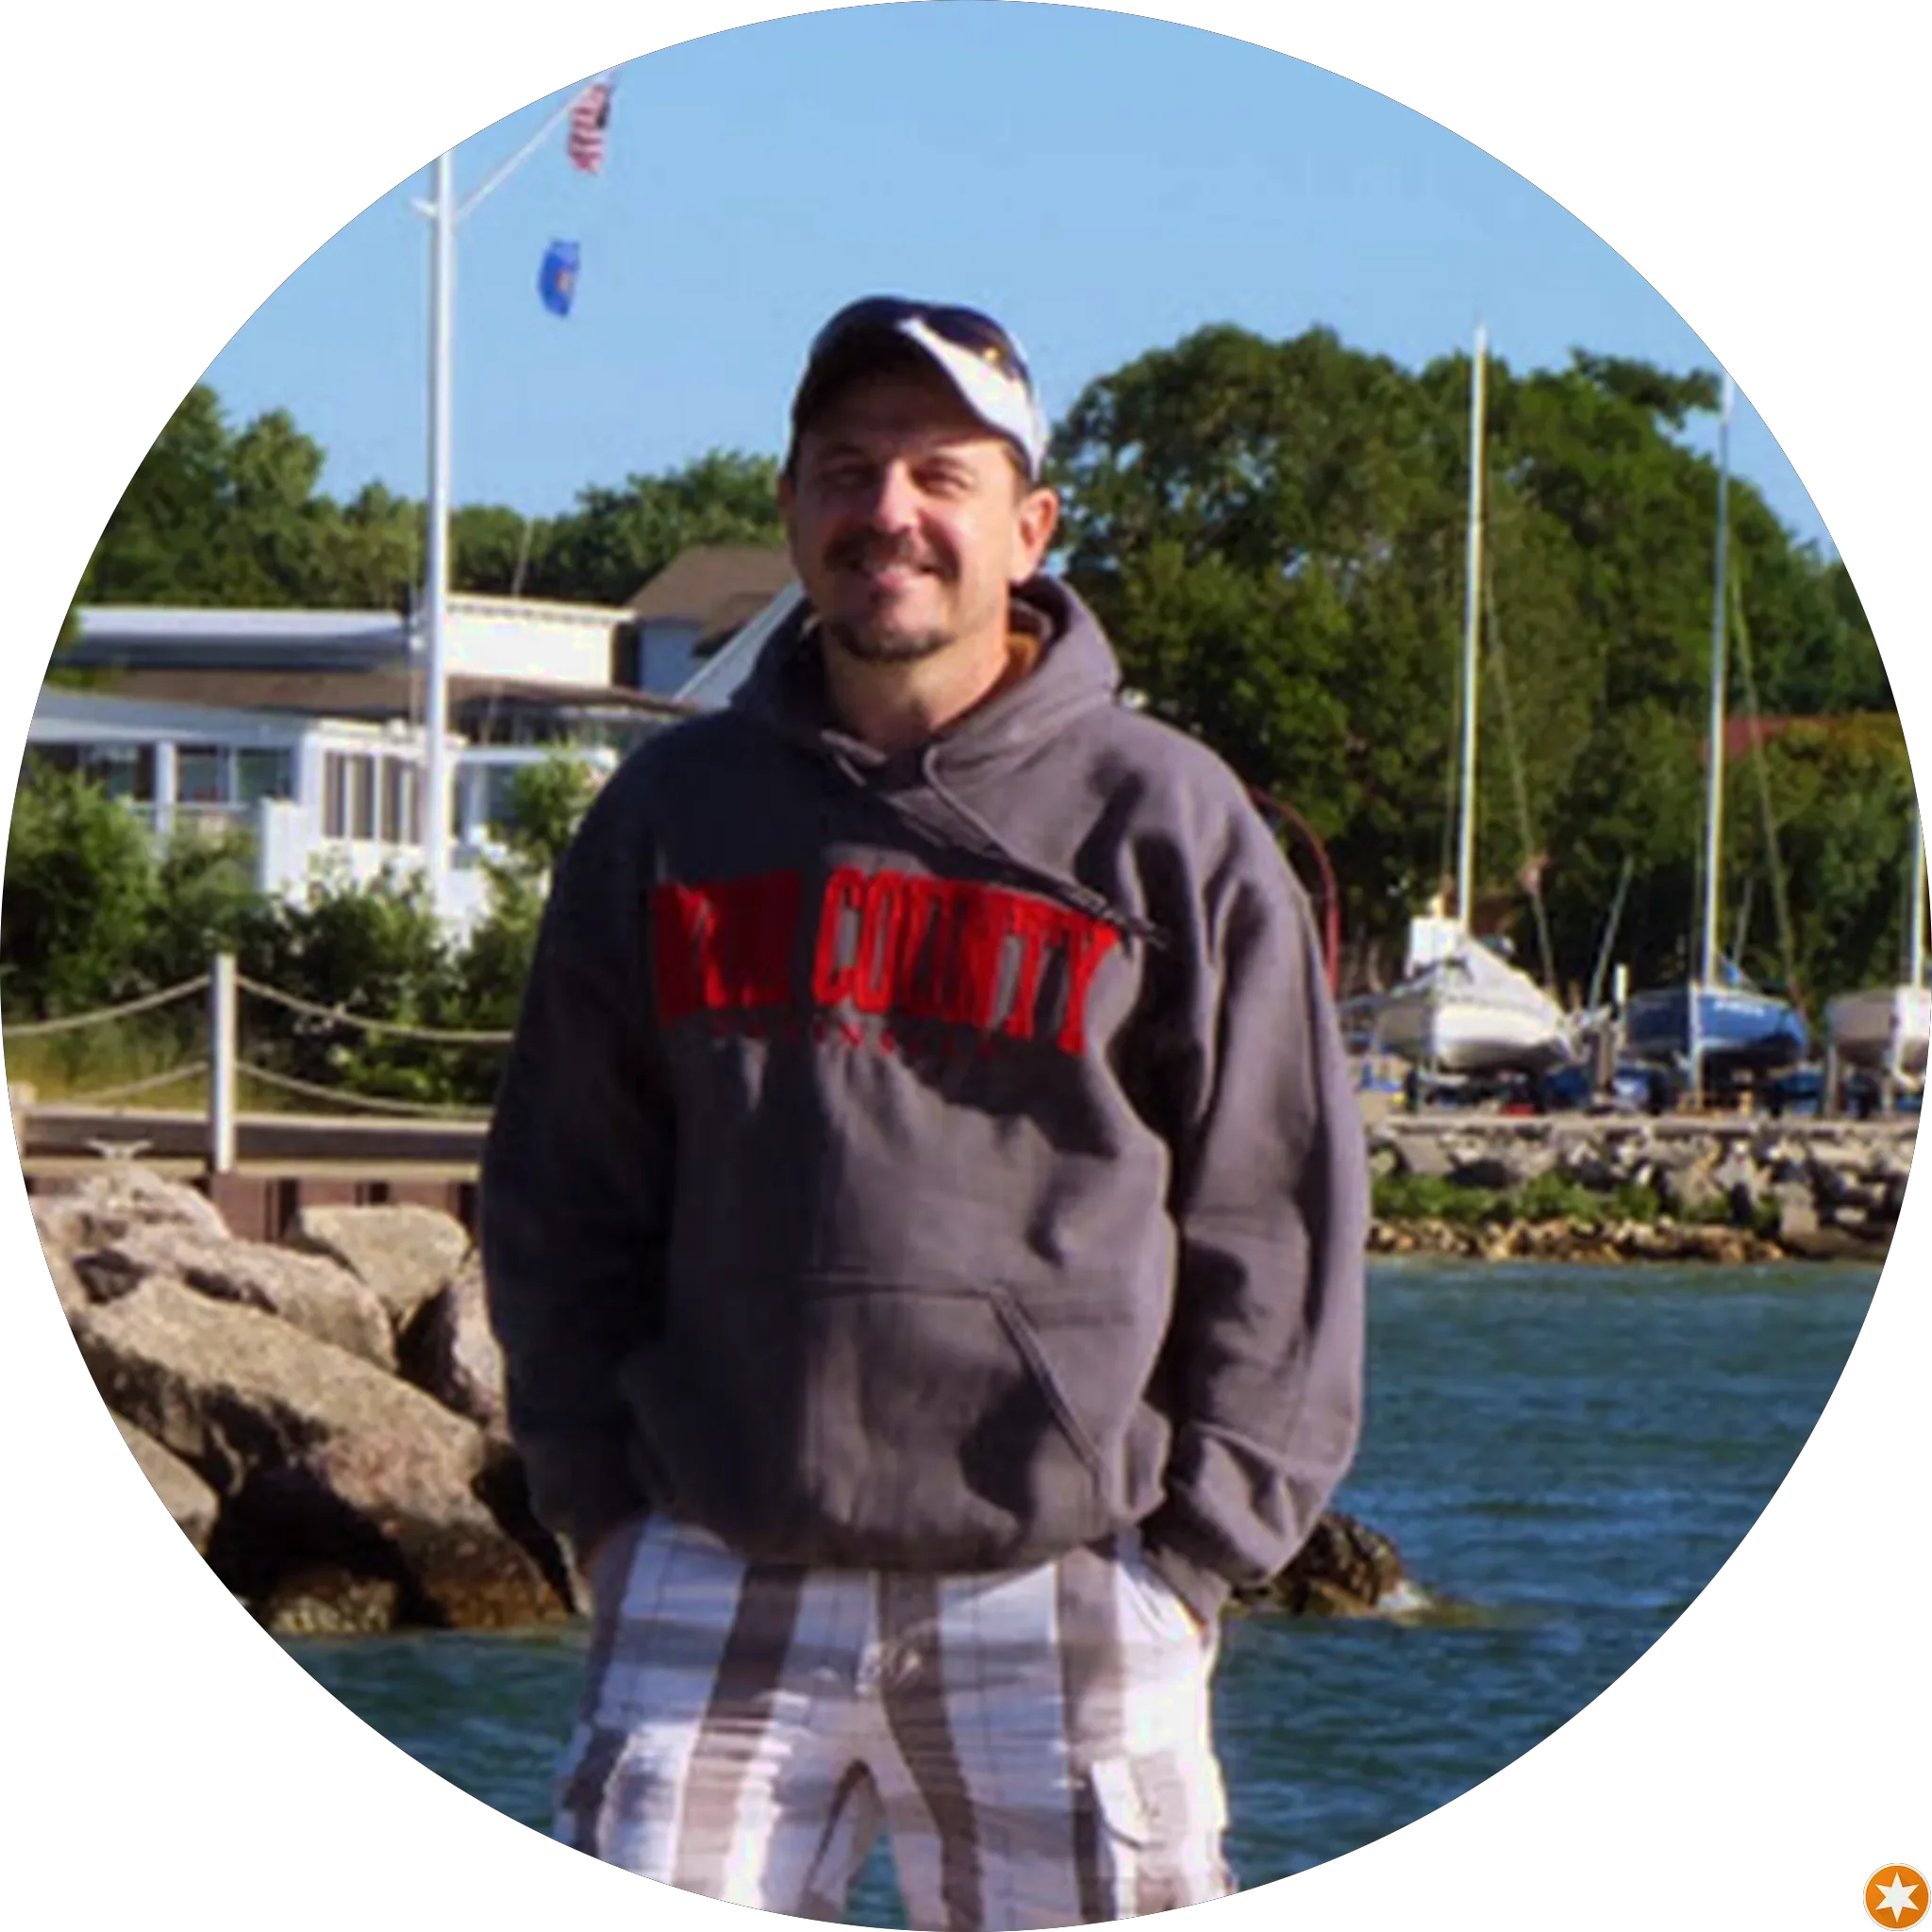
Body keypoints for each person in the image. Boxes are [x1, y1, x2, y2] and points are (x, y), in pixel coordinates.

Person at [480, 295, 1369, 1927]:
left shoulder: (1168, 823)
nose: (887, 510)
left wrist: (1192, 1562)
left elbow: (1278, 1213)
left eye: (939, 474)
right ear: (790, 509)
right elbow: (560, 1192)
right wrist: (601, 1514)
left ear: (1030, 527)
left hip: (1068, 1590)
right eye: (846, 469)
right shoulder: (668, 817)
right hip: (709, 1568)